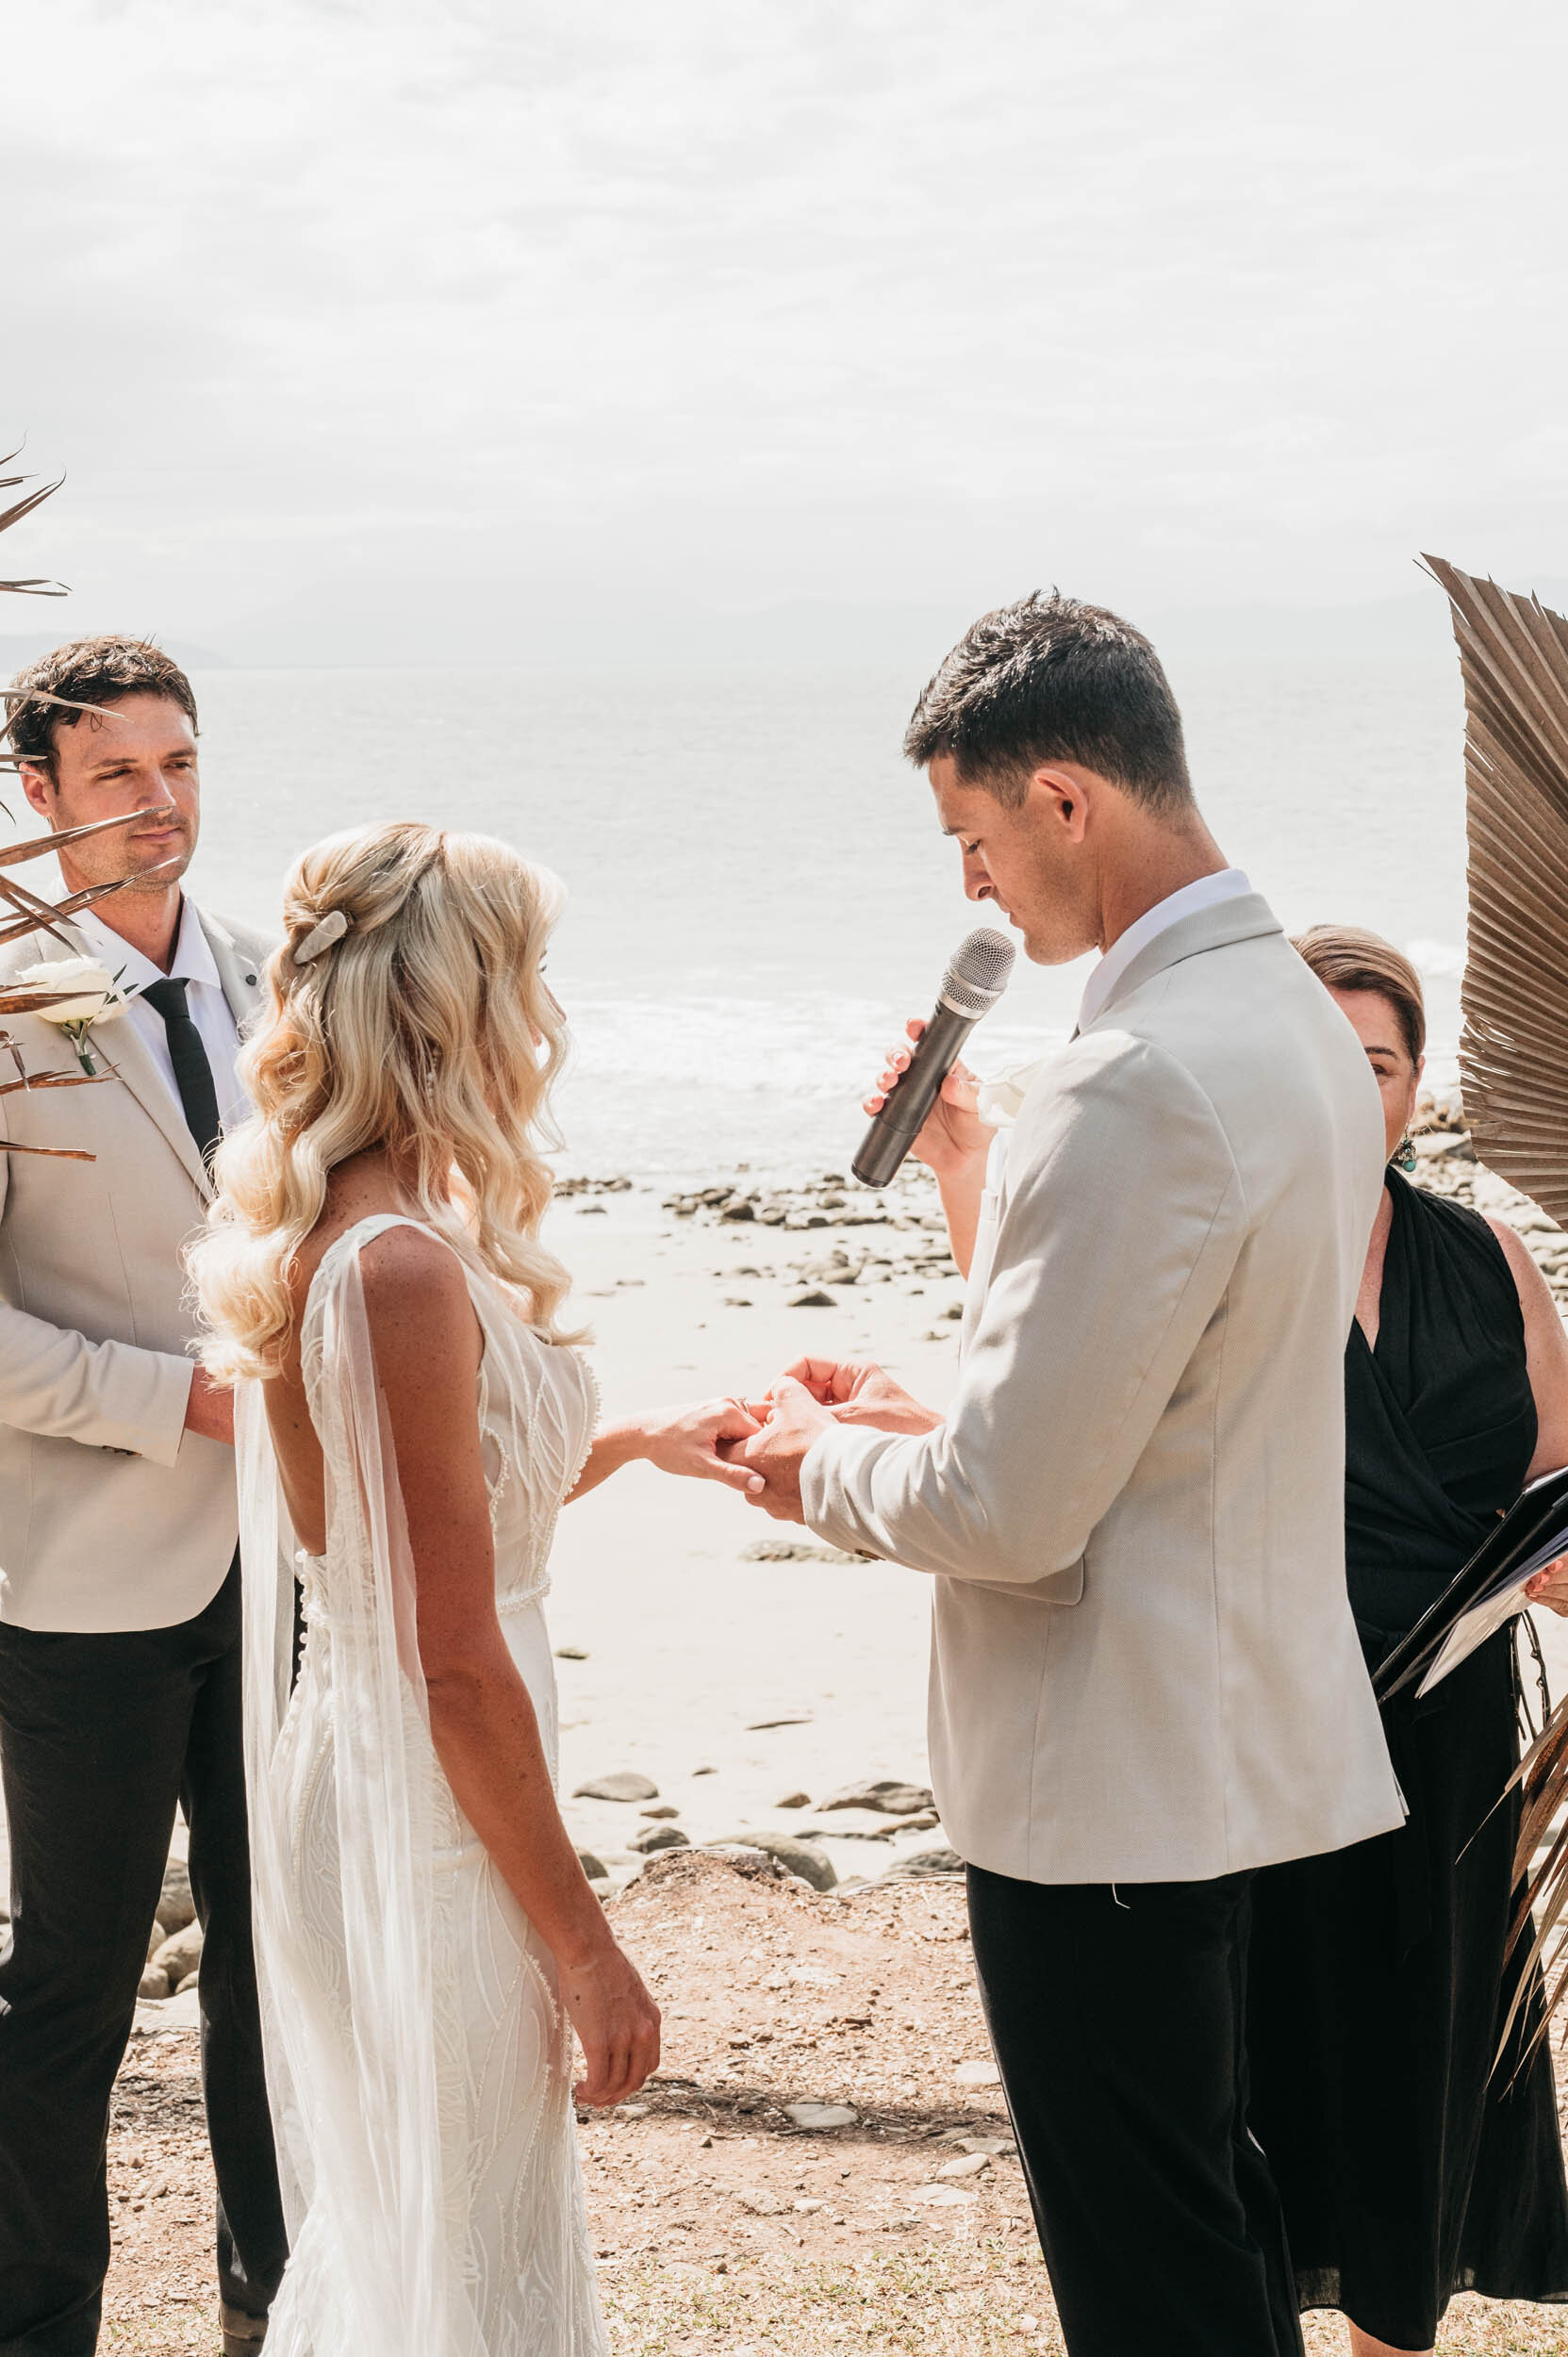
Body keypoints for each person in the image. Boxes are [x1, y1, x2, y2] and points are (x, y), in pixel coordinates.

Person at [736, 591, 1406, 2357]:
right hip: (1245, 1748)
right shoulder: (1296, 1027)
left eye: (971, 839)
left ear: (1061, 801)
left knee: (1155, 2282)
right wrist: (929, 1408)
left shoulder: (1130, 1079)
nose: (972, 888)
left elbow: (1013, 1514)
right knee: (1218, 2228)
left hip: (1107, 1782)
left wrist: (816, 1464)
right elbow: (1158, 1393)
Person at [189, 820, 763, 2357]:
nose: (546, 1014)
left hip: (384, 1774)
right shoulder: (400, 1272)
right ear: (459, 1003)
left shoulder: (367, 1235)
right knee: (460, 2272)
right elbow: (454, 1655)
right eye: (531, 974)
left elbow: (414, 1523)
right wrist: (587, 1945)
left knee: (430, 2251)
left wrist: (637, 1441)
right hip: (426, 1812)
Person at [0, 638, 287, 2357]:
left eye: (179, 765)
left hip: (289, 1566)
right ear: (38, 801)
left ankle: (277, 2303)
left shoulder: (278, 981)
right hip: (81, 1577)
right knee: (70, 1994)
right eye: (116, 775)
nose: (159, 804)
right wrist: (170, 1399)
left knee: (278, 1961)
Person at [1244, 925, 1568, 2357]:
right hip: (1268, 1728)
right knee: (1271, 2057)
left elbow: (1559, 1467)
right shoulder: (1227, 1254)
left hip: (1454, 1741)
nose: (1347, 1085)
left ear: (1415, 1088)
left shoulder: (1488, 1255)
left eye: (1375, 1061)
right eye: (1316, 1056)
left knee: (1420, 2066)